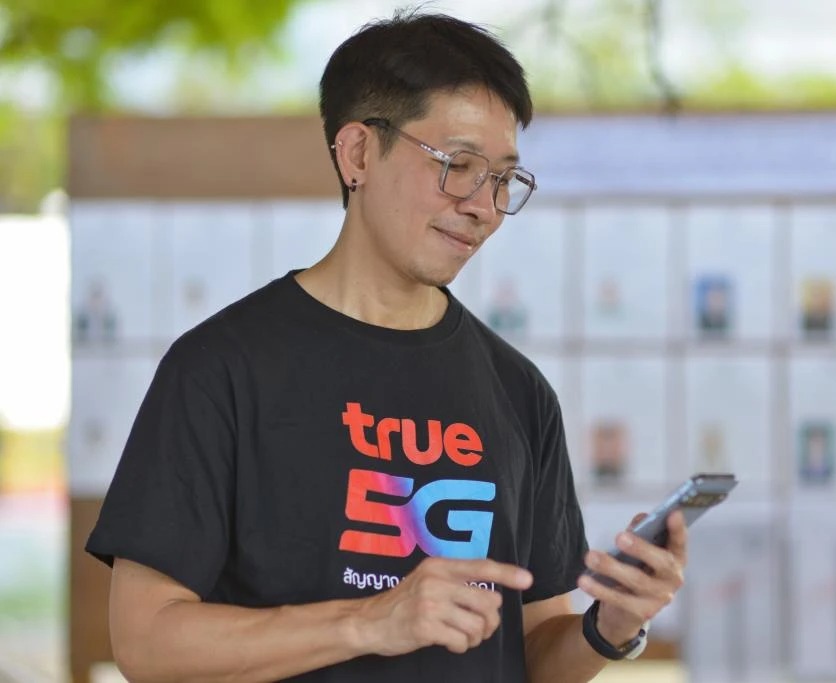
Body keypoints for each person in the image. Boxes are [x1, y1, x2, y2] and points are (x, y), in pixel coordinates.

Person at [85, 10, 688, 682]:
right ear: (358, 155)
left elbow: (530, 654)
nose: (484, 207)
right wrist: (371, 620)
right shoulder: (220, 368)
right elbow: (147, 642)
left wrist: (609, 627)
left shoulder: (518, 392)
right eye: (458, 166)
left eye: (502, 179)